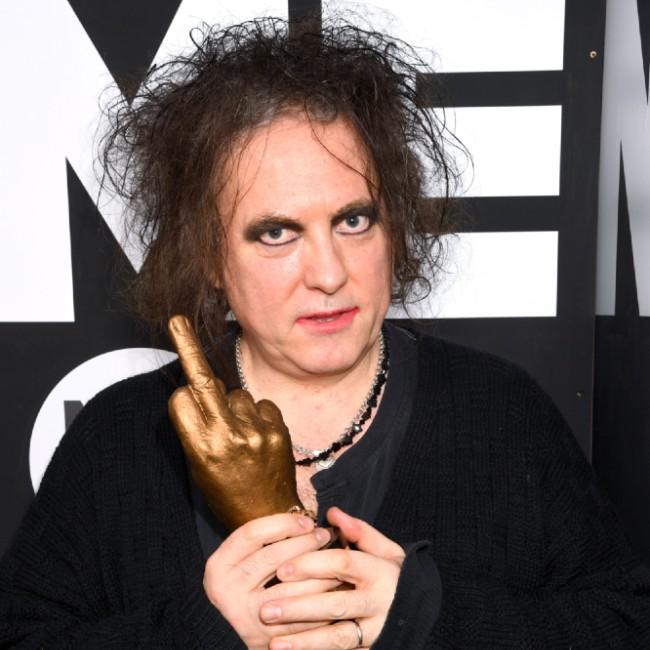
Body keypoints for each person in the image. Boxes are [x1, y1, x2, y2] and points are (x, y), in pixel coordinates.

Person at [1, 15, 650, 649]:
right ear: (208, 257)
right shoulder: (122, 437)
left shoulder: (501, 416)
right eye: (276, 232)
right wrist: (203, 632)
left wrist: (428, 617)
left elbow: (624, 624)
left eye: (353, 221)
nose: (330, 273)